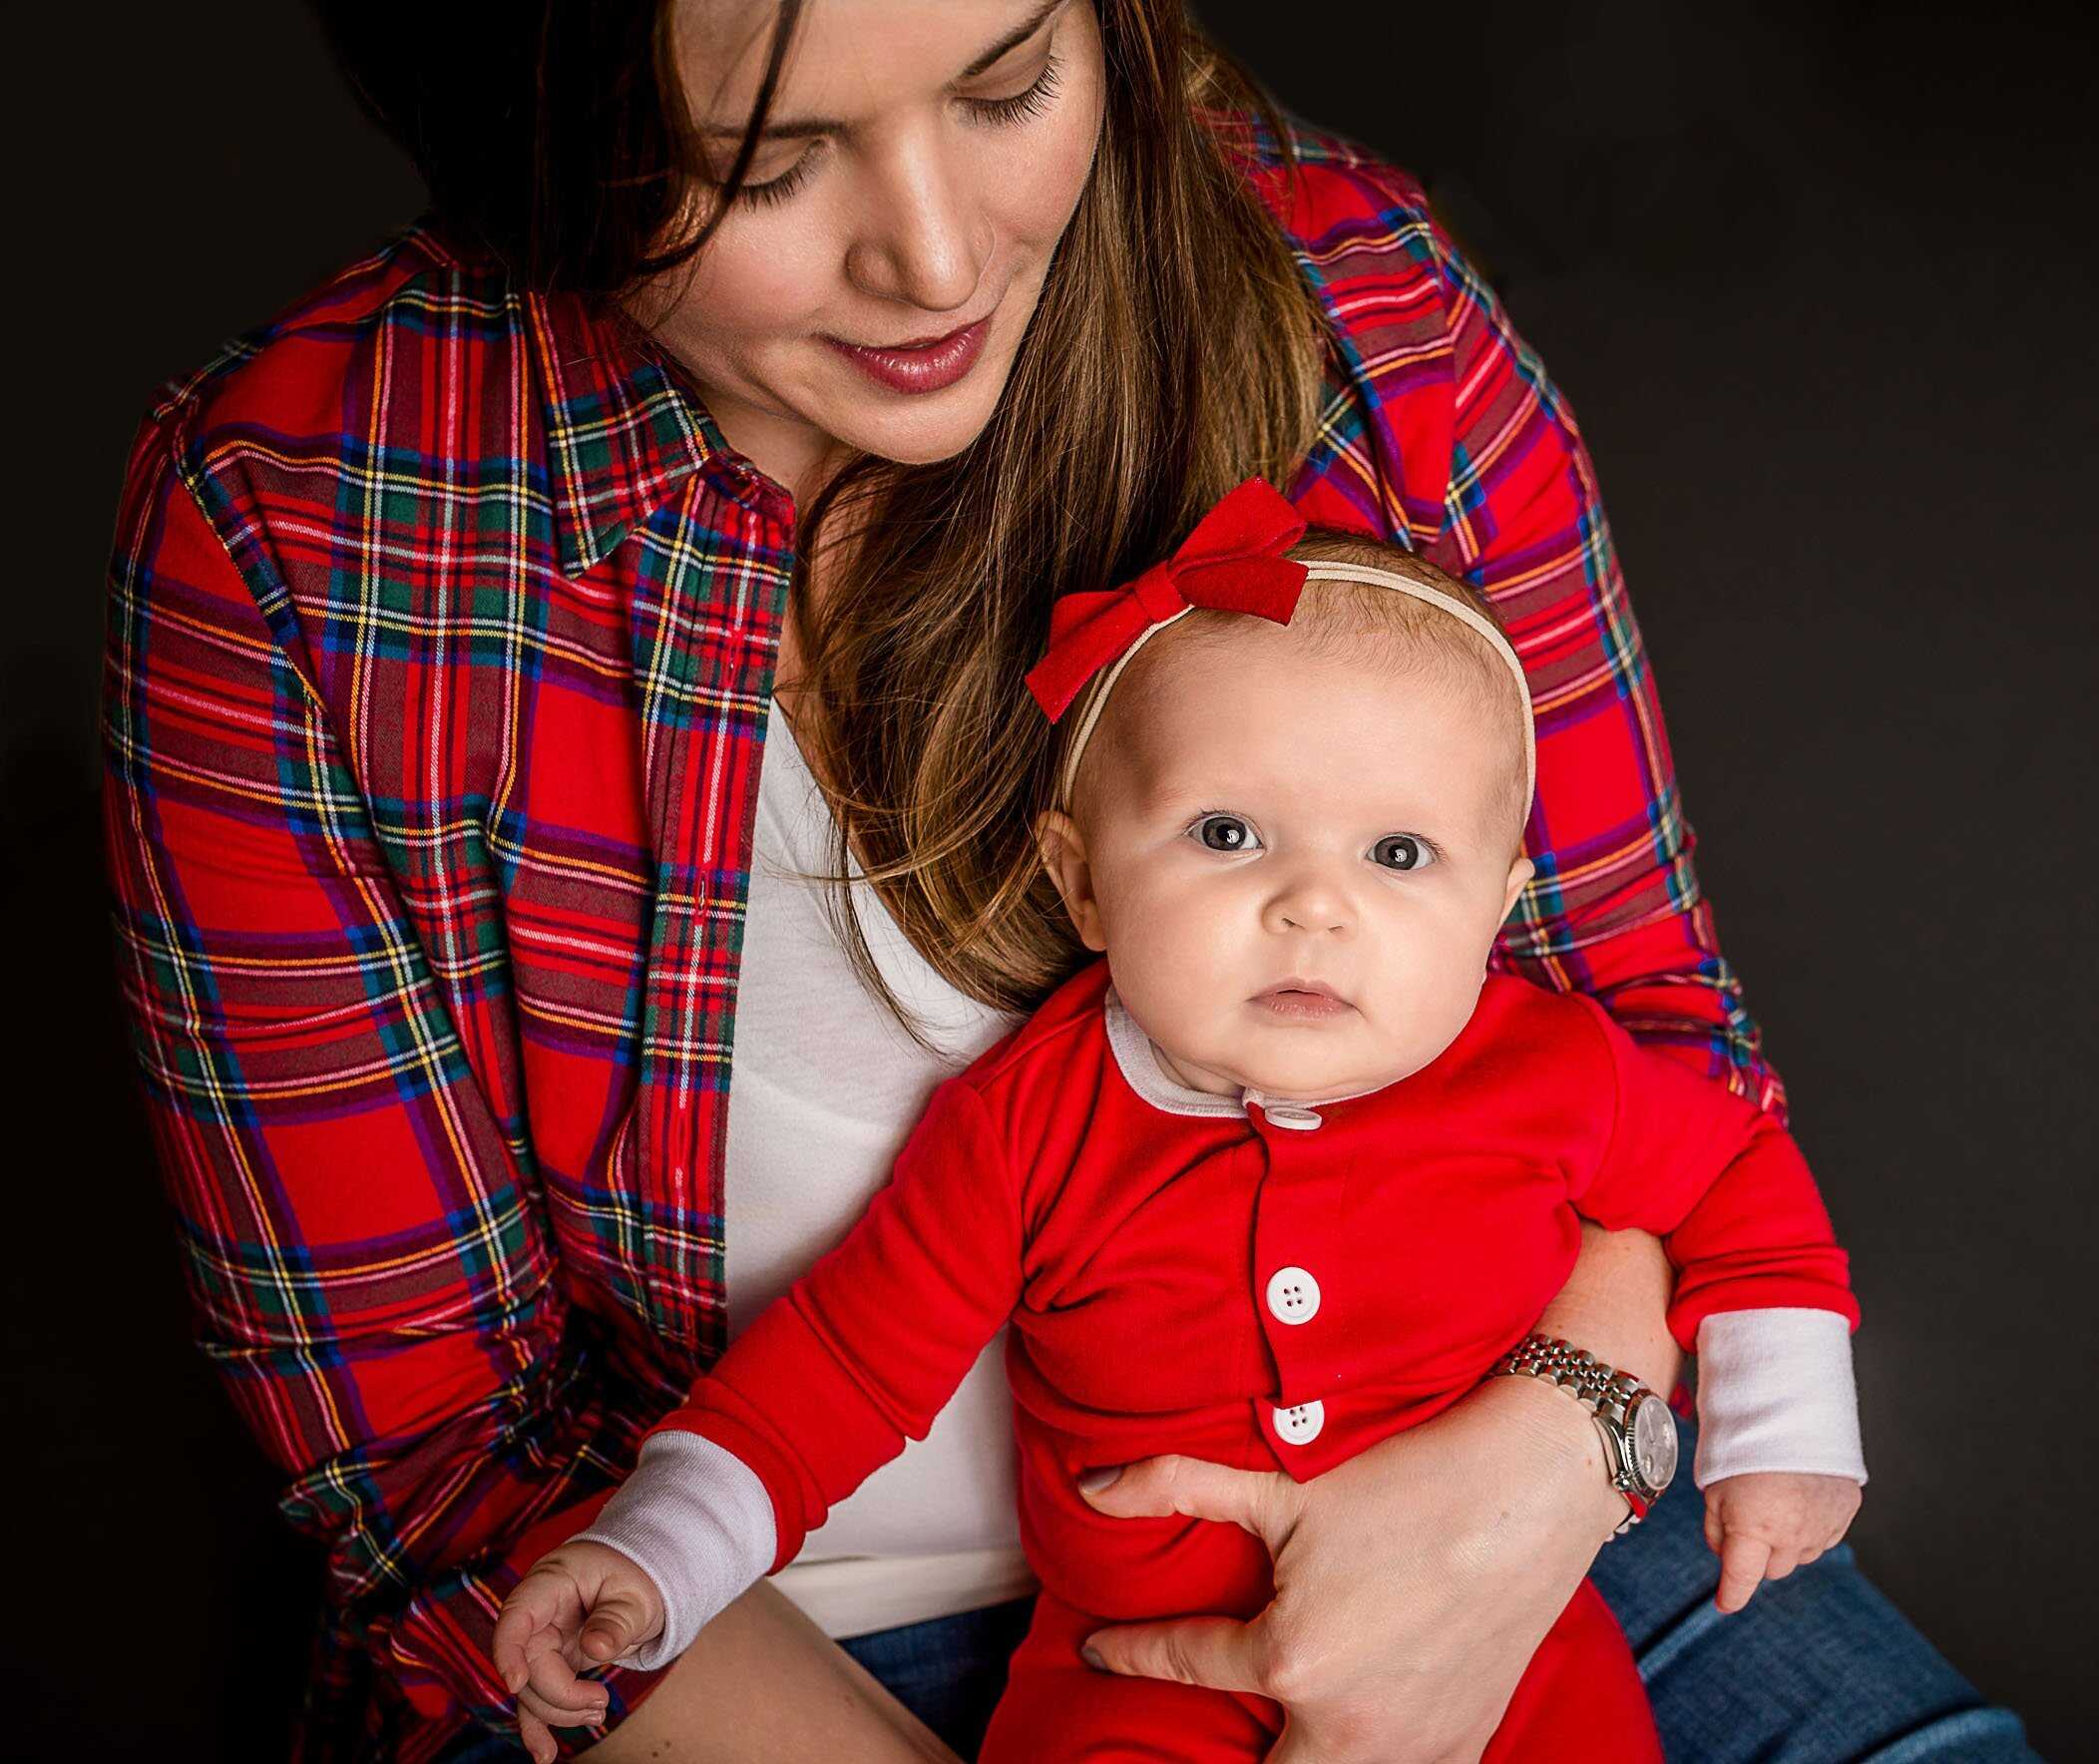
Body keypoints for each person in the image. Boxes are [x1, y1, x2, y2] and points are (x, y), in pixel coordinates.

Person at [102, 1, 2033, 1759]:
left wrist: (1521, 1488)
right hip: (766, 1653)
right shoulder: (307, 518)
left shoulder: (1360, 307)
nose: (936, 260)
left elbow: (1655, 1056)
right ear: (541, 148)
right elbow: (444, 1468)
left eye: (1008, 82)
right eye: (763, 167)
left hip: (1509, 1473)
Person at [491, 483, 1871, 1762]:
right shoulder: (1028, 1128)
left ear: (1497, 904)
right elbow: (839, 1371)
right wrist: (659, 1556)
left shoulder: (1546, 1068)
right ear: (1082, 882)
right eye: (1226, 834)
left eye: (1398, 855)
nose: (1313, 904)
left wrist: (1784, 1427)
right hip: (1139, 1678)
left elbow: (1737, 1177)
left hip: (1503, 1644)